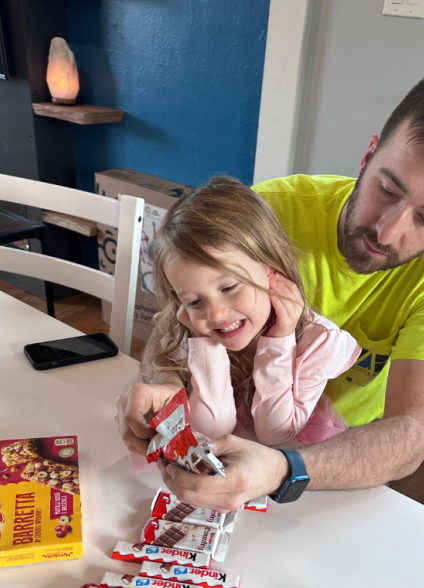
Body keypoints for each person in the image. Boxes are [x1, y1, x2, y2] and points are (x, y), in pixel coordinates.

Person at [116, 58, 424, 510]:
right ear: (368, 157)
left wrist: (282, 469)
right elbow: (177, 320)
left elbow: (412, 434)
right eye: (387, 190)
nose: (386, 232)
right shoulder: (269, 212)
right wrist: (163, 390)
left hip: (339, 464)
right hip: (223, 444)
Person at [147, 177, 361, 447]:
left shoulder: (319, 342)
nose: (215, 314)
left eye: (229, 287)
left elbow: (275, 434)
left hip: (289, 455)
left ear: (271, 268)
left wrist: (279, 342)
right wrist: (206, 343)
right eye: (194, 301)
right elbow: (210, 431)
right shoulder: (192, 325)